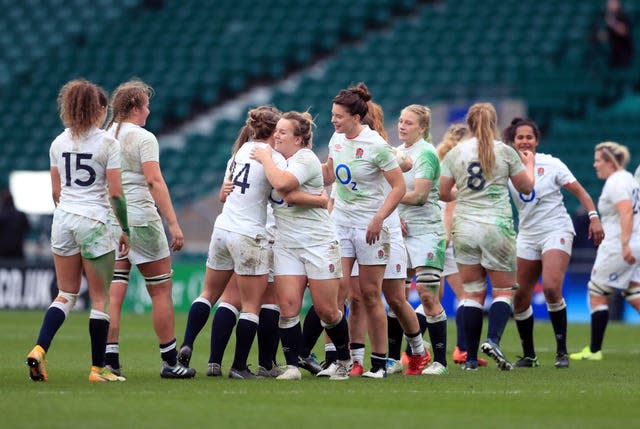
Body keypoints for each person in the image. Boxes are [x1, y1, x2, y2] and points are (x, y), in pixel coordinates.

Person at [26, 79, 130, 382]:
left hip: (63, 220)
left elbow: (56, 192)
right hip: (94, 222)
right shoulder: (108, 144)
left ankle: (39, 350)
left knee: (65, 294)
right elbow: (115, 193)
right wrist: (124, 228)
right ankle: (98, 369)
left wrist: (68, 212)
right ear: (98, 109)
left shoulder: (58, 143)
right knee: (100, 299)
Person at [177, 106, 285, 379]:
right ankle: (238, 366)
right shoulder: (272, 157)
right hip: (249, 233)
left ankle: (188, 342)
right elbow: (282, 193)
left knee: (209, 294)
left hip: (222, 228)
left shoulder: (240, 152)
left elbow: (226, 191)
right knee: (251, 305)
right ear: (273, 131)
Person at [103, 79, 195, 379]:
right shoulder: (143, 138)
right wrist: (173, 222)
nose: (149, 110)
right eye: (145, 104)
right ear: (134, 107)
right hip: (141, 218)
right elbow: (154, 182)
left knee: (114, 291)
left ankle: (110, 359)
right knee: (160, 291)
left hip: (111, 220)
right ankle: (170, 361)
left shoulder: (105, 135)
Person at [251, 110, 352, 380]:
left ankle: (344, 359)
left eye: (283, 132)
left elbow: (283, 184)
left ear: (299, 139)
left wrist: (265, 161)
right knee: (288, 306)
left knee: (327, 310)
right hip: (287, 242)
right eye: (276, 131)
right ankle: (293, 366)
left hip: (318, 241)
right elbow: (279, 191)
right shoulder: (276, 161)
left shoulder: (305, 158)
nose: (276, 135)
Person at [440, 102, 535, 371]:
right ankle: (492, 340)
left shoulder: (456, 153)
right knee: (504, 291)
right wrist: (530, 164)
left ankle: (469, 358)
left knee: (471, 293)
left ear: (469, 124)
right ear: (495, 123)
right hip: (497, 226)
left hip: (465, 227)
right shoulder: (505, 151)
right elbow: (526, 188)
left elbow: (442, 192)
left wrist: (464, 195)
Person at [503, 118, 604, 369]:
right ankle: (530, 356)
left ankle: (561, 352)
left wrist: (594, 218)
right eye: (520, 137)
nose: (525, 141)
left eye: (529, 137)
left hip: (556, 229)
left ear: (536, 140)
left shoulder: (552, 164)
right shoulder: (507, 169)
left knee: (550, 288)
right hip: (526, 234)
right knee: (520, 298)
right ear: (512, 141)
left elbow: (580, 192)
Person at [322, 83, 406, 378]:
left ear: (356, 118)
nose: (333, 120)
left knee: (371, 294)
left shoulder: (376, 146)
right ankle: (339, 360)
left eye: (339, 116)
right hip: (341, 223)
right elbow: (329, 174)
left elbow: (399, 187)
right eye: (333, 115)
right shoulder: (336, 138)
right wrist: (294, 169)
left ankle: (379, 363)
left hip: (370, 226)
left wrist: (379, 218)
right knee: (337, 292)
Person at [345, 101, 427, 377]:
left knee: (394, 298)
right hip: (357, 229)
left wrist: (397, 159)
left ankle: (417, 349)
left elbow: (405, 163)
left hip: (385, 230)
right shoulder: (348, 146)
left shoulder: (381, 147)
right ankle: (356, 359)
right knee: (356, 296)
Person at [570, 142, 640, 361]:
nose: (595, 164)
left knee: (597, 291)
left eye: (598, 160)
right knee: (633, 291)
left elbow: (626, 212)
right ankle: (593, 349)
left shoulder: (616, 182)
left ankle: (593, 350)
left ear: (610, 161)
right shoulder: (629, 178)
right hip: (635, 241)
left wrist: (625, 243)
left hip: (619, 245)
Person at [395, 104, 449, 375]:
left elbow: (419, 197)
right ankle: (393, 359)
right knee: (396, 296)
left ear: (423, 128)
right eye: (401, 121)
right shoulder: (398, 152)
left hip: (427, 232)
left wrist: (390, 198)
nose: (402, 126)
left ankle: (440, 361)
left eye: (409, 123)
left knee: (427, 296)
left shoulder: (426, 154)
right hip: (400, 232)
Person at [599, 0, 634, 68]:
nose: (611, 5)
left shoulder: (623, 16)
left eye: (614, 3)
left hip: (624, 54)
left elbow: (624, 31)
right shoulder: (603, 17)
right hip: (610, 54)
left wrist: (612, 23)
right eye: (610, 3)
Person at [0, 187, 30, 260]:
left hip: (2, 252)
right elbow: (27, 228)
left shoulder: (1, 215)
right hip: (18, 250)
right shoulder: (21, 215)